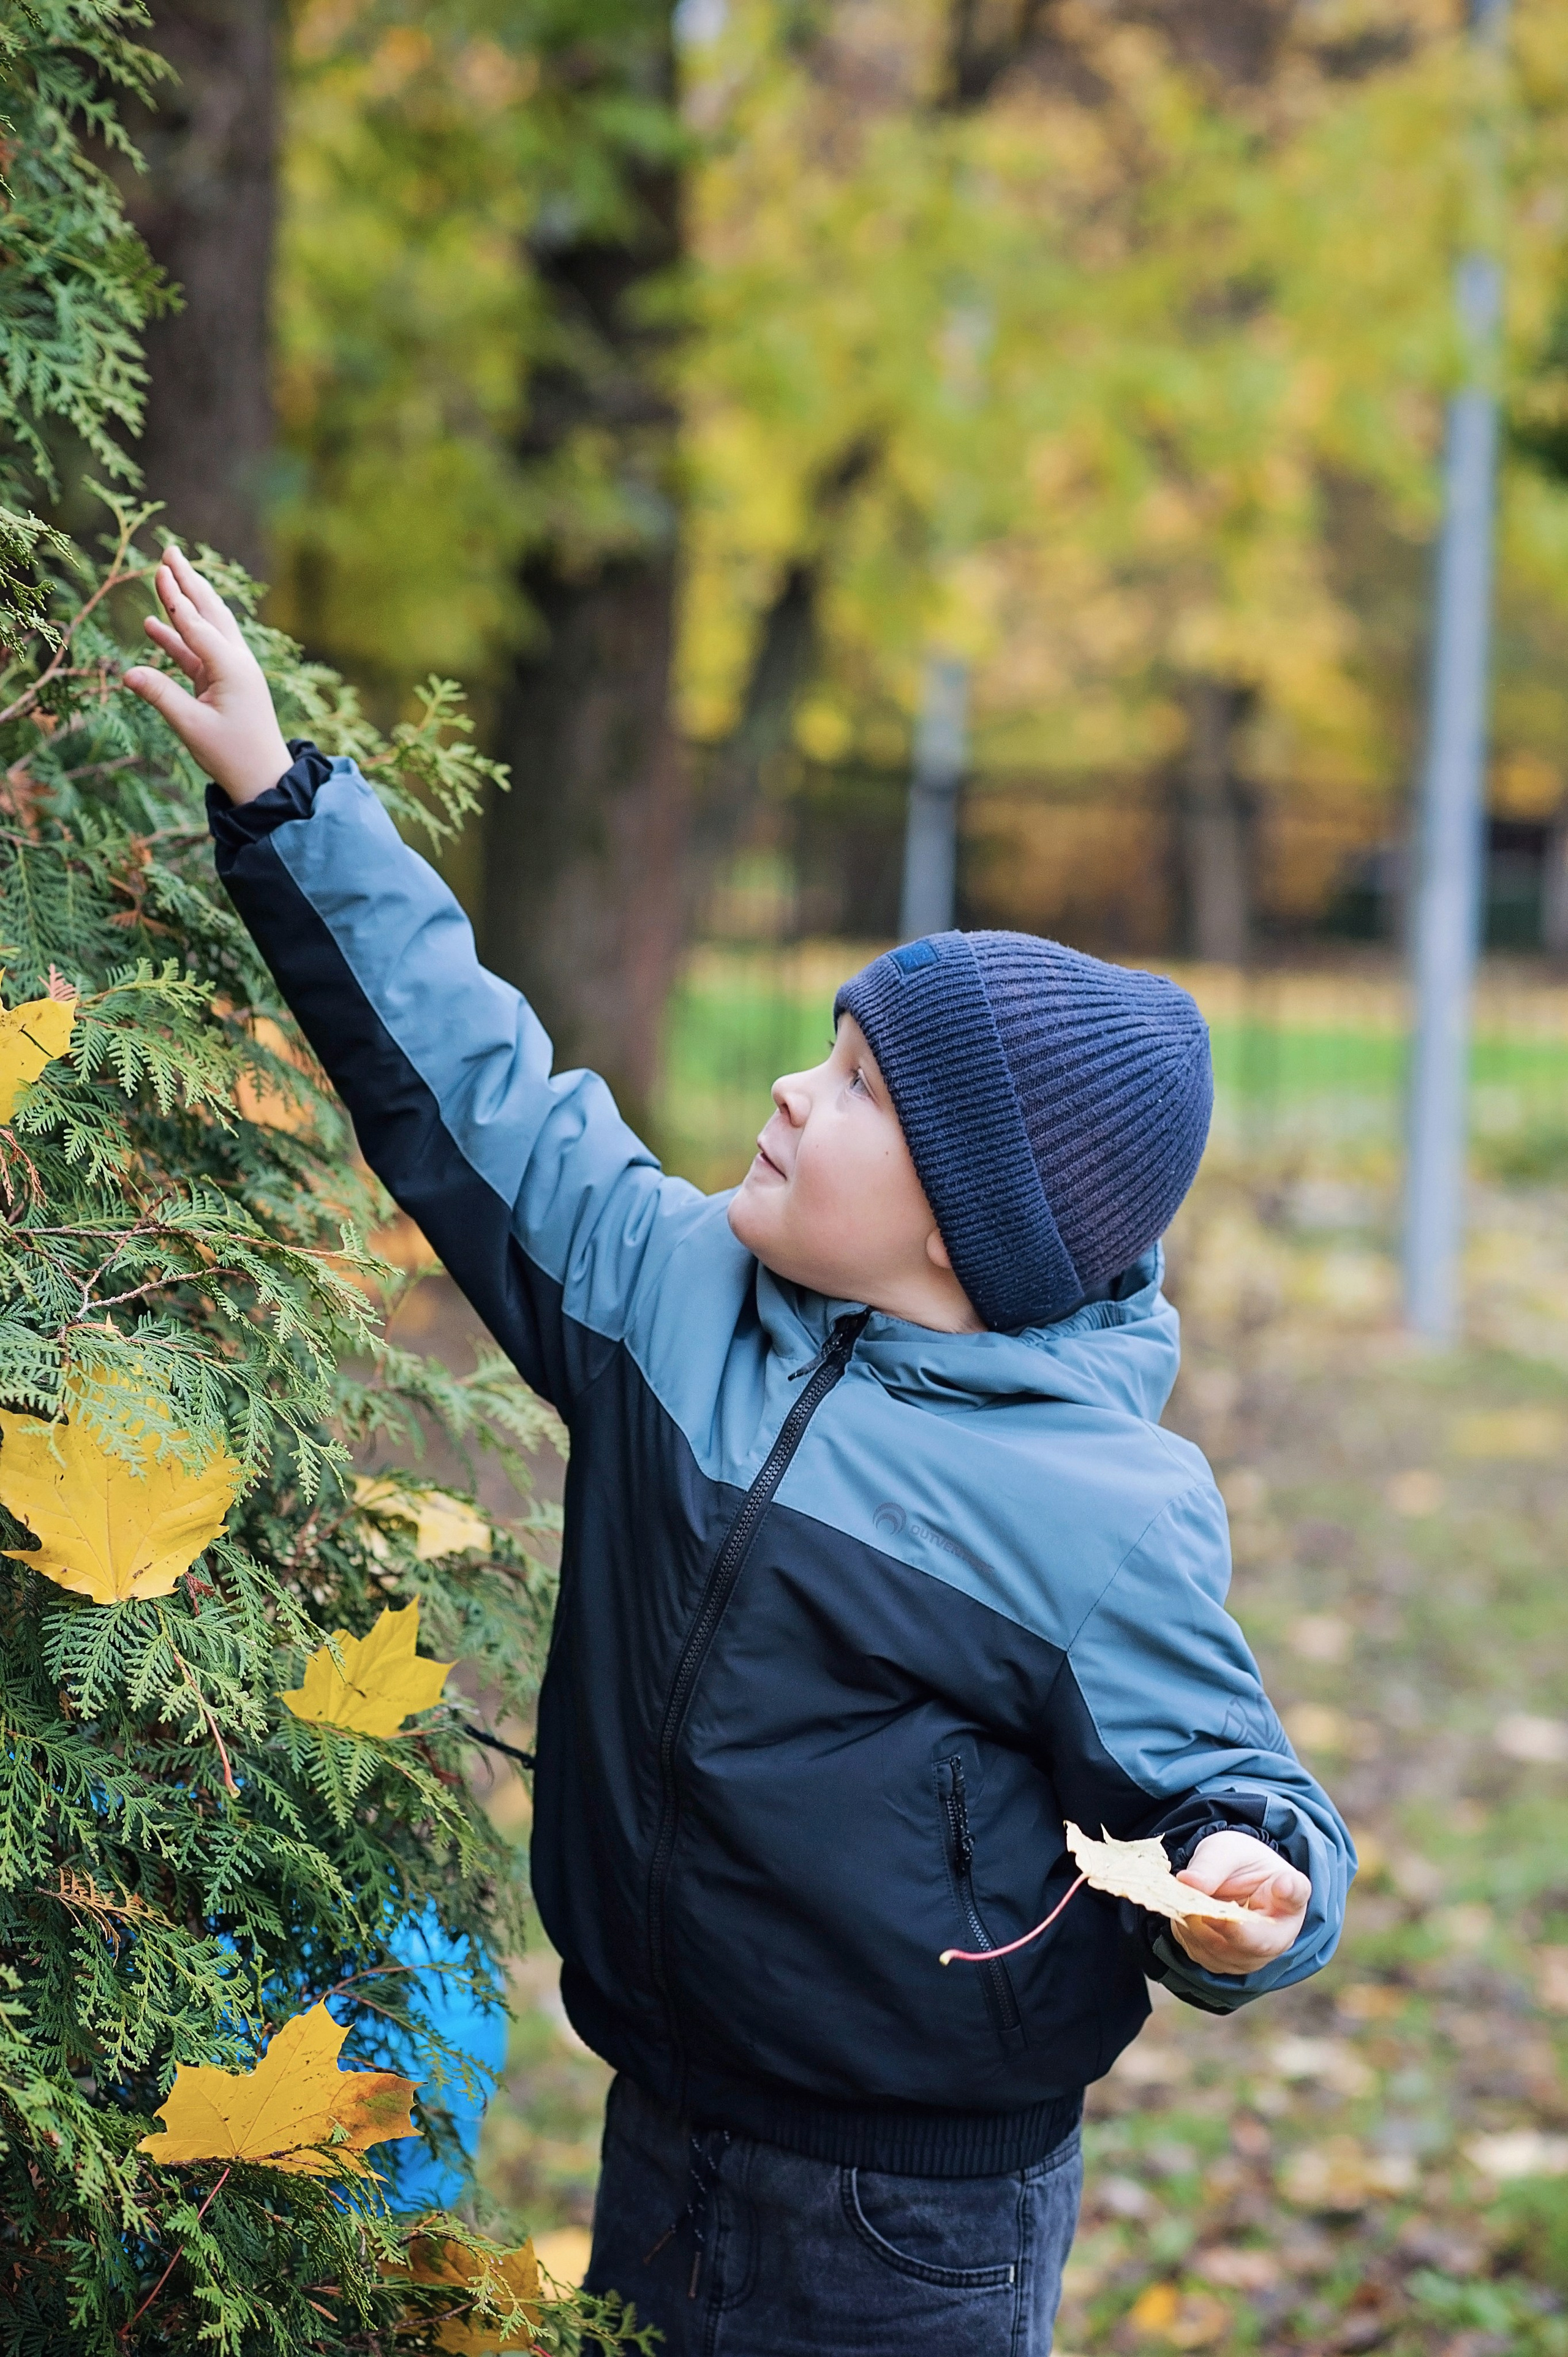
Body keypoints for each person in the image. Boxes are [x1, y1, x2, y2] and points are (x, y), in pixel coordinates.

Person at [127, 548, 1354, 2357]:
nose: (791, 1090)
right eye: (827, 1055)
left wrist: (1258, 1892)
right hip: (667, 2119)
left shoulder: (1092, 1512)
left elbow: (1232, 1787)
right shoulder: (676, 1294)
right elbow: (485, 1094)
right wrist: (289, 804)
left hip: (914, 2214)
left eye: (857, 1088)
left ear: (966, 1234)